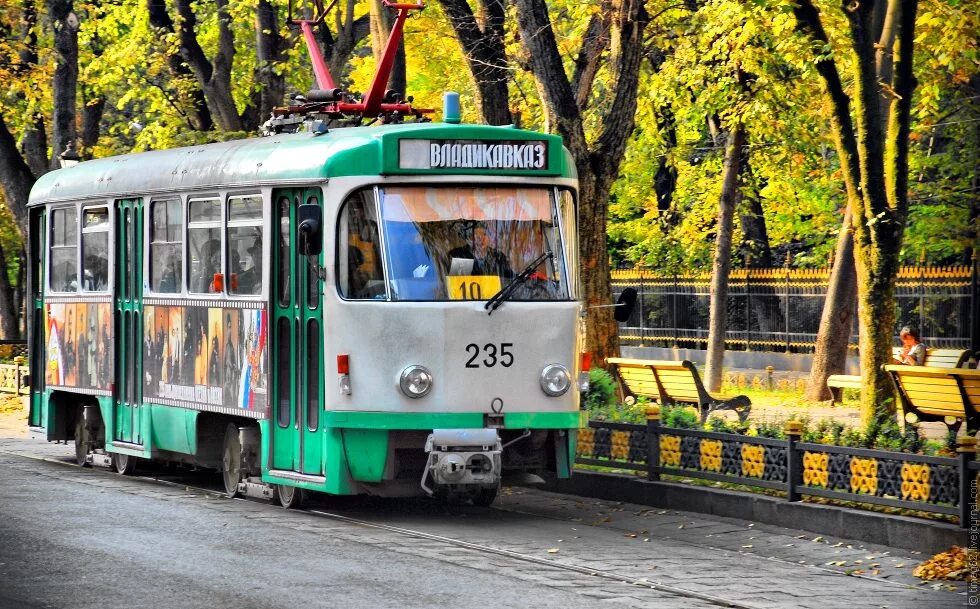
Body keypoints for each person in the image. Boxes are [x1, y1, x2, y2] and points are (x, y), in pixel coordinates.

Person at [449, 225, 513, 278]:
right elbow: (459, 283)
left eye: (484, 234)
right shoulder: (460, 255)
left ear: (489, 237)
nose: (480, 239)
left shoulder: (498, 256)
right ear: (468, 239)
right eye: (475, 235)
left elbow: (509, 280)